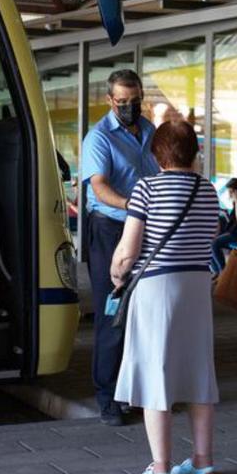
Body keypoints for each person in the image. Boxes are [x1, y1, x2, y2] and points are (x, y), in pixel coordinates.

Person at [110, 119, 222, 474]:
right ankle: (204, 464)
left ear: (157, 154)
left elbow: (129, 249)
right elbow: (210, 235)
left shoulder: (146, 188)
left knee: (156, 372)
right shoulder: (207, 190)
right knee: (198, 371)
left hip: (157, 287)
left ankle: (160, 468)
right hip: (195, 286)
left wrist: (116, 272)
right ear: (194, 152)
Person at [79, 69, 160, 427]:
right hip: (111, 228)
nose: (130, 107)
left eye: (135, 100)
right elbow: (100, 190)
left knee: (144, 314)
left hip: (146, 228)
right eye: (123, 102)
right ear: (111, 101)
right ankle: (107, 396)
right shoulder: (98, 138)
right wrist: (136, 204)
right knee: (114, 311)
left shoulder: (149, 132)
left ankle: (137, 393)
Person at [211, 178, 237, 273]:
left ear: (236, 191)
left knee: (214, 244)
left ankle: (222, 272)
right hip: (231, 232)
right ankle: (217, 272)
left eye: (231, 191)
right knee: (209, 244)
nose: (229, 194)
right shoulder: (235, 203)